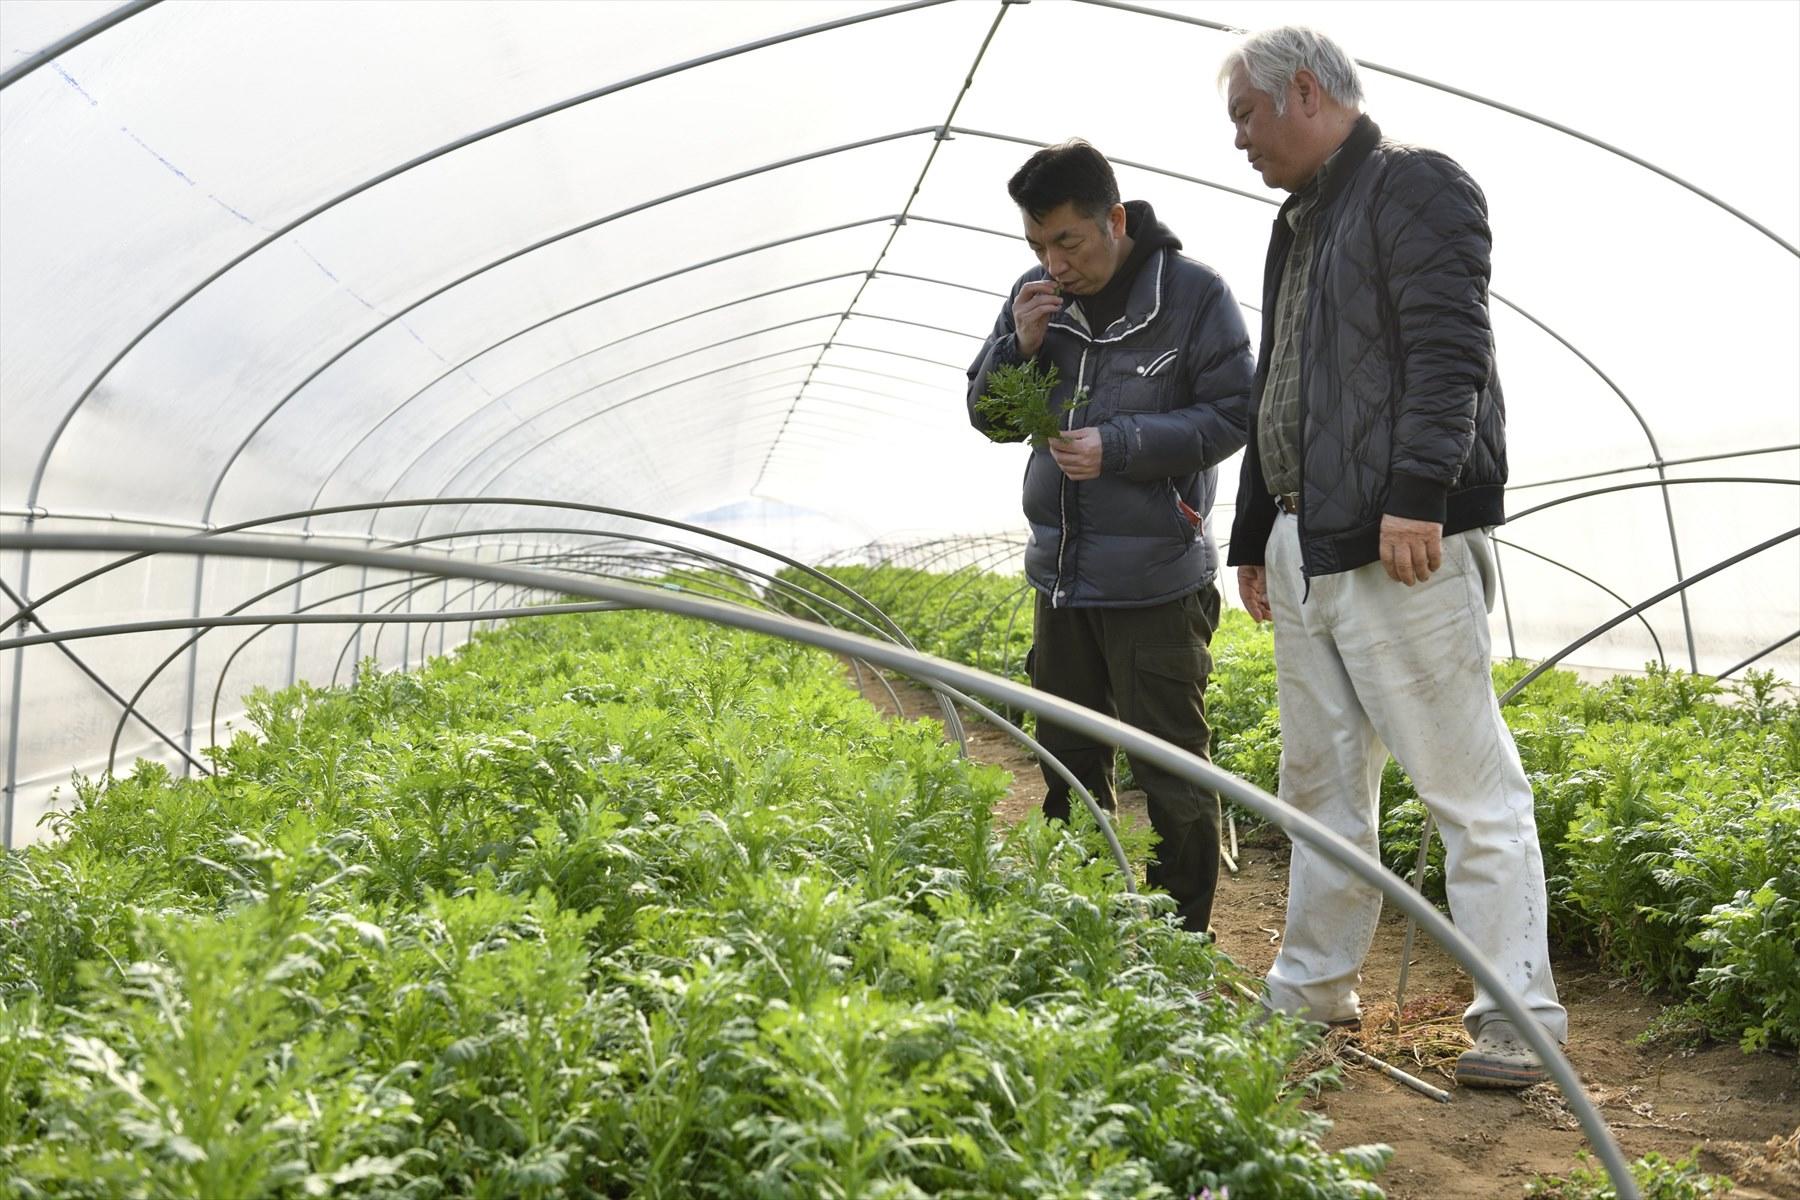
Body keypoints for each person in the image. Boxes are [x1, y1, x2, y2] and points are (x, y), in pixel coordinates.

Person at [1218, 27, 1567, 1087]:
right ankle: (1316, 985)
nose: (1237, 141)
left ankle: (1521, 1015)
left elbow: (1448, 345)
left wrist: (1418, 494)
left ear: (1307, 93)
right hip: (1304, 539)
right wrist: (1252, 533)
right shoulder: (1299, 223)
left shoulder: (1414, 186)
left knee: (1466, 785)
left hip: (1396, 541)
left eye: (1246, 116)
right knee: (1318, 786)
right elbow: (1280, 381)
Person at [966, 140, 1254, 935]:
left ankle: (1177, 940)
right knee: (1066, 759)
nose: (1053, 264)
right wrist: (1013, 349)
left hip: (1156, 579)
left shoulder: (1194, 297)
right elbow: (987, 417)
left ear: (1115, 220)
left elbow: (1233, 414)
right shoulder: (1032, 298)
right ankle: (1080, 921)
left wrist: (1121, 443)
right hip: (1061, 578)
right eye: (1036, 246)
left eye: (1068, 242)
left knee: (1169, 772)